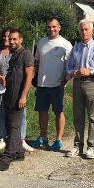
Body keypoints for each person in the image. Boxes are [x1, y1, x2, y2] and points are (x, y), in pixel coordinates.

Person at [65, 19, 94, 159]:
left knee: (93, 117)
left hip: (92, 84)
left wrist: (90, 72)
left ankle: (91, 147)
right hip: (77, 84)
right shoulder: (76, 48)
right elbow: (68, 67)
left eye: (86, 29)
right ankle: (77, 146)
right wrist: (72, 73)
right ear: (79, 31)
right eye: (81, 29)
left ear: (92, 31)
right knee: (78, 117)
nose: (84, 32)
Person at [0, 27, 34, 152]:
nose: (8, 39)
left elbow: (28, 73)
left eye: (11, 37)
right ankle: (3, 138)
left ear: (19, 40)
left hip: (16, 88)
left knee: (20, 113)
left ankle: (21, 139)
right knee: (1, 111)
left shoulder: (19, 53)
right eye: (5, 37)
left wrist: (23, 93)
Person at [29, 17, 73, 151]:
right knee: (42, 112)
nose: (51, 29)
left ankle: (58, 139)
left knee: (58, 112)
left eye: (54, 26)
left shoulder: (66, 44)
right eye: (49, 27)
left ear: (59, 27)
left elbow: (70, 66)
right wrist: (34, 77)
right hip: (42, 85)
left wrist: (64, 81)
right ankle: (43, 137)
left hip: (57, 85)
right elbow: (36, 61)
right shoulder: (41, 42)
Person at [0, 28, 34, 171]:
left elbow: (29, 77)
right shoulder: (12, 55)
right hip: (9, 96)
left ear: (21, 40)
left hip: (19, 97)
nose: (11, 41)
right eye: (10, 39)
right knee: (10, 124)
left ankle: (7, 156)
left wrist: (23, 96)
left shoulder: (26, 55)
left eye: (14, 39)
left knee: (14, 126)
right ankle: (19, 152)